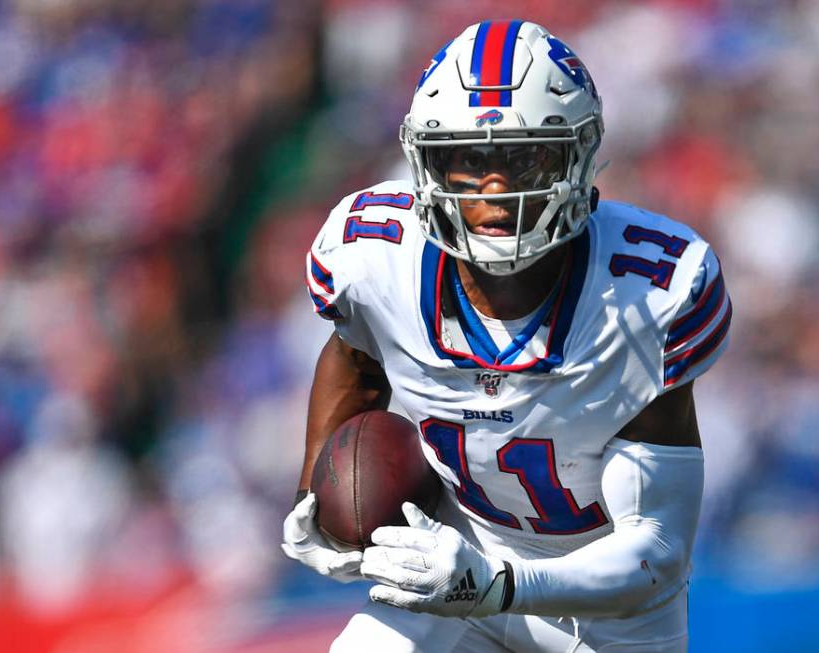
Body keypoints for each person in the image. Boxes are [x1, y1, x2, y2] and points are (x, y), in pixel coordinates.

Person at [282, 19, 731, 652]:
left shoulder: (647, 293)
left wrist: (496, 584)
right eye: (469, 159)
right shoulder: (375, 258)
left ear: (577, 155)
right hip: (457, 563)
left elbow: (655, 554)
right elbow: (356, 359)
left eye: (523, 157)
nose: (496, 187)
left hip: (603, 613)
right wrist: (314, 494)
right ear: (427, 162)